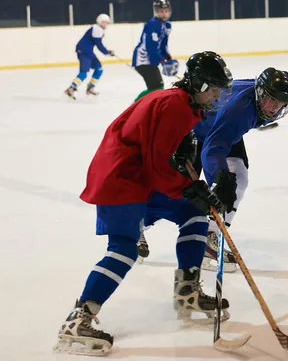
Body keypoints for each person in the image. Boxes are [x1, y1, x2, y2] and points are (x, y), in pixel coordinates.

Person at [54, 51, 235, 356]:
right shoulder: (175, 105)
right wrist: (190, 187)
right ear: (199, 84)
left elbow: (159, 154)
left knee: (193, 214)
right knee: (123, 249)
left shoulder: (183, 103)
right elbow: (157, 166)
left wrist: (190, 188)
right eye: (214, 89)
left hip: (136, 177)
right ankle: (78, 319)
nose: (218, 95)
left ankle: (188, 291)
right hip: (121, 179)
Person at [137, 68, 288, 274]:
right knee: (175, 191)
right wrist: (218, 181)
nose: (274, 108)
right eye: (271, 101)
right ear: (260, 94)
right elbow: (212, 150)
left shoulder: (256, 100)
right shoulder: (239, 111)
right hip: (195, 130)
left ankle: (209, 237)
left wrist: (224, 182)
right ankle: (136, 226)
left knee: (238, 177)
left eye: (280, 103)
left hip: (220, 128)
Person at [132, 0, 180, 101]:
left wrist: (168, 58)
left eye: (166, 11)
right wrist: (162, 61)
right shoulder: (153, 24)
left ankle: (139, 107)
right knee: (156, 87)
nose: (164, 14)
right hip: (142, 60)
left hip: (151, 60)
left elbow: (163, 45)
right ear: (157, 12)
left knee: (157, 87)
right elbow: (151, 48)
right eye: (161, 11)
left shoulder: (167, 24)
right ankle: (134, 107)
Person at [64, 14, 115, 99]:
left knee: (99, 68)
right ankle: (71, 88)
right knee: (83, 73)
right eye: (104, 22)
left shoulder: (98, 29)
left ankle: (90, 87)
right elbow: (98, 44)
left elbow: (98, 44)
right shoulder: (97, 29)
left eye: (107, 23)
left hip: (88, 51)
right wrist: (107, 52)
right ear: (99, 22)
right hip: (84, 51)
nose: (106, 24)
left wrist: (107, 51)